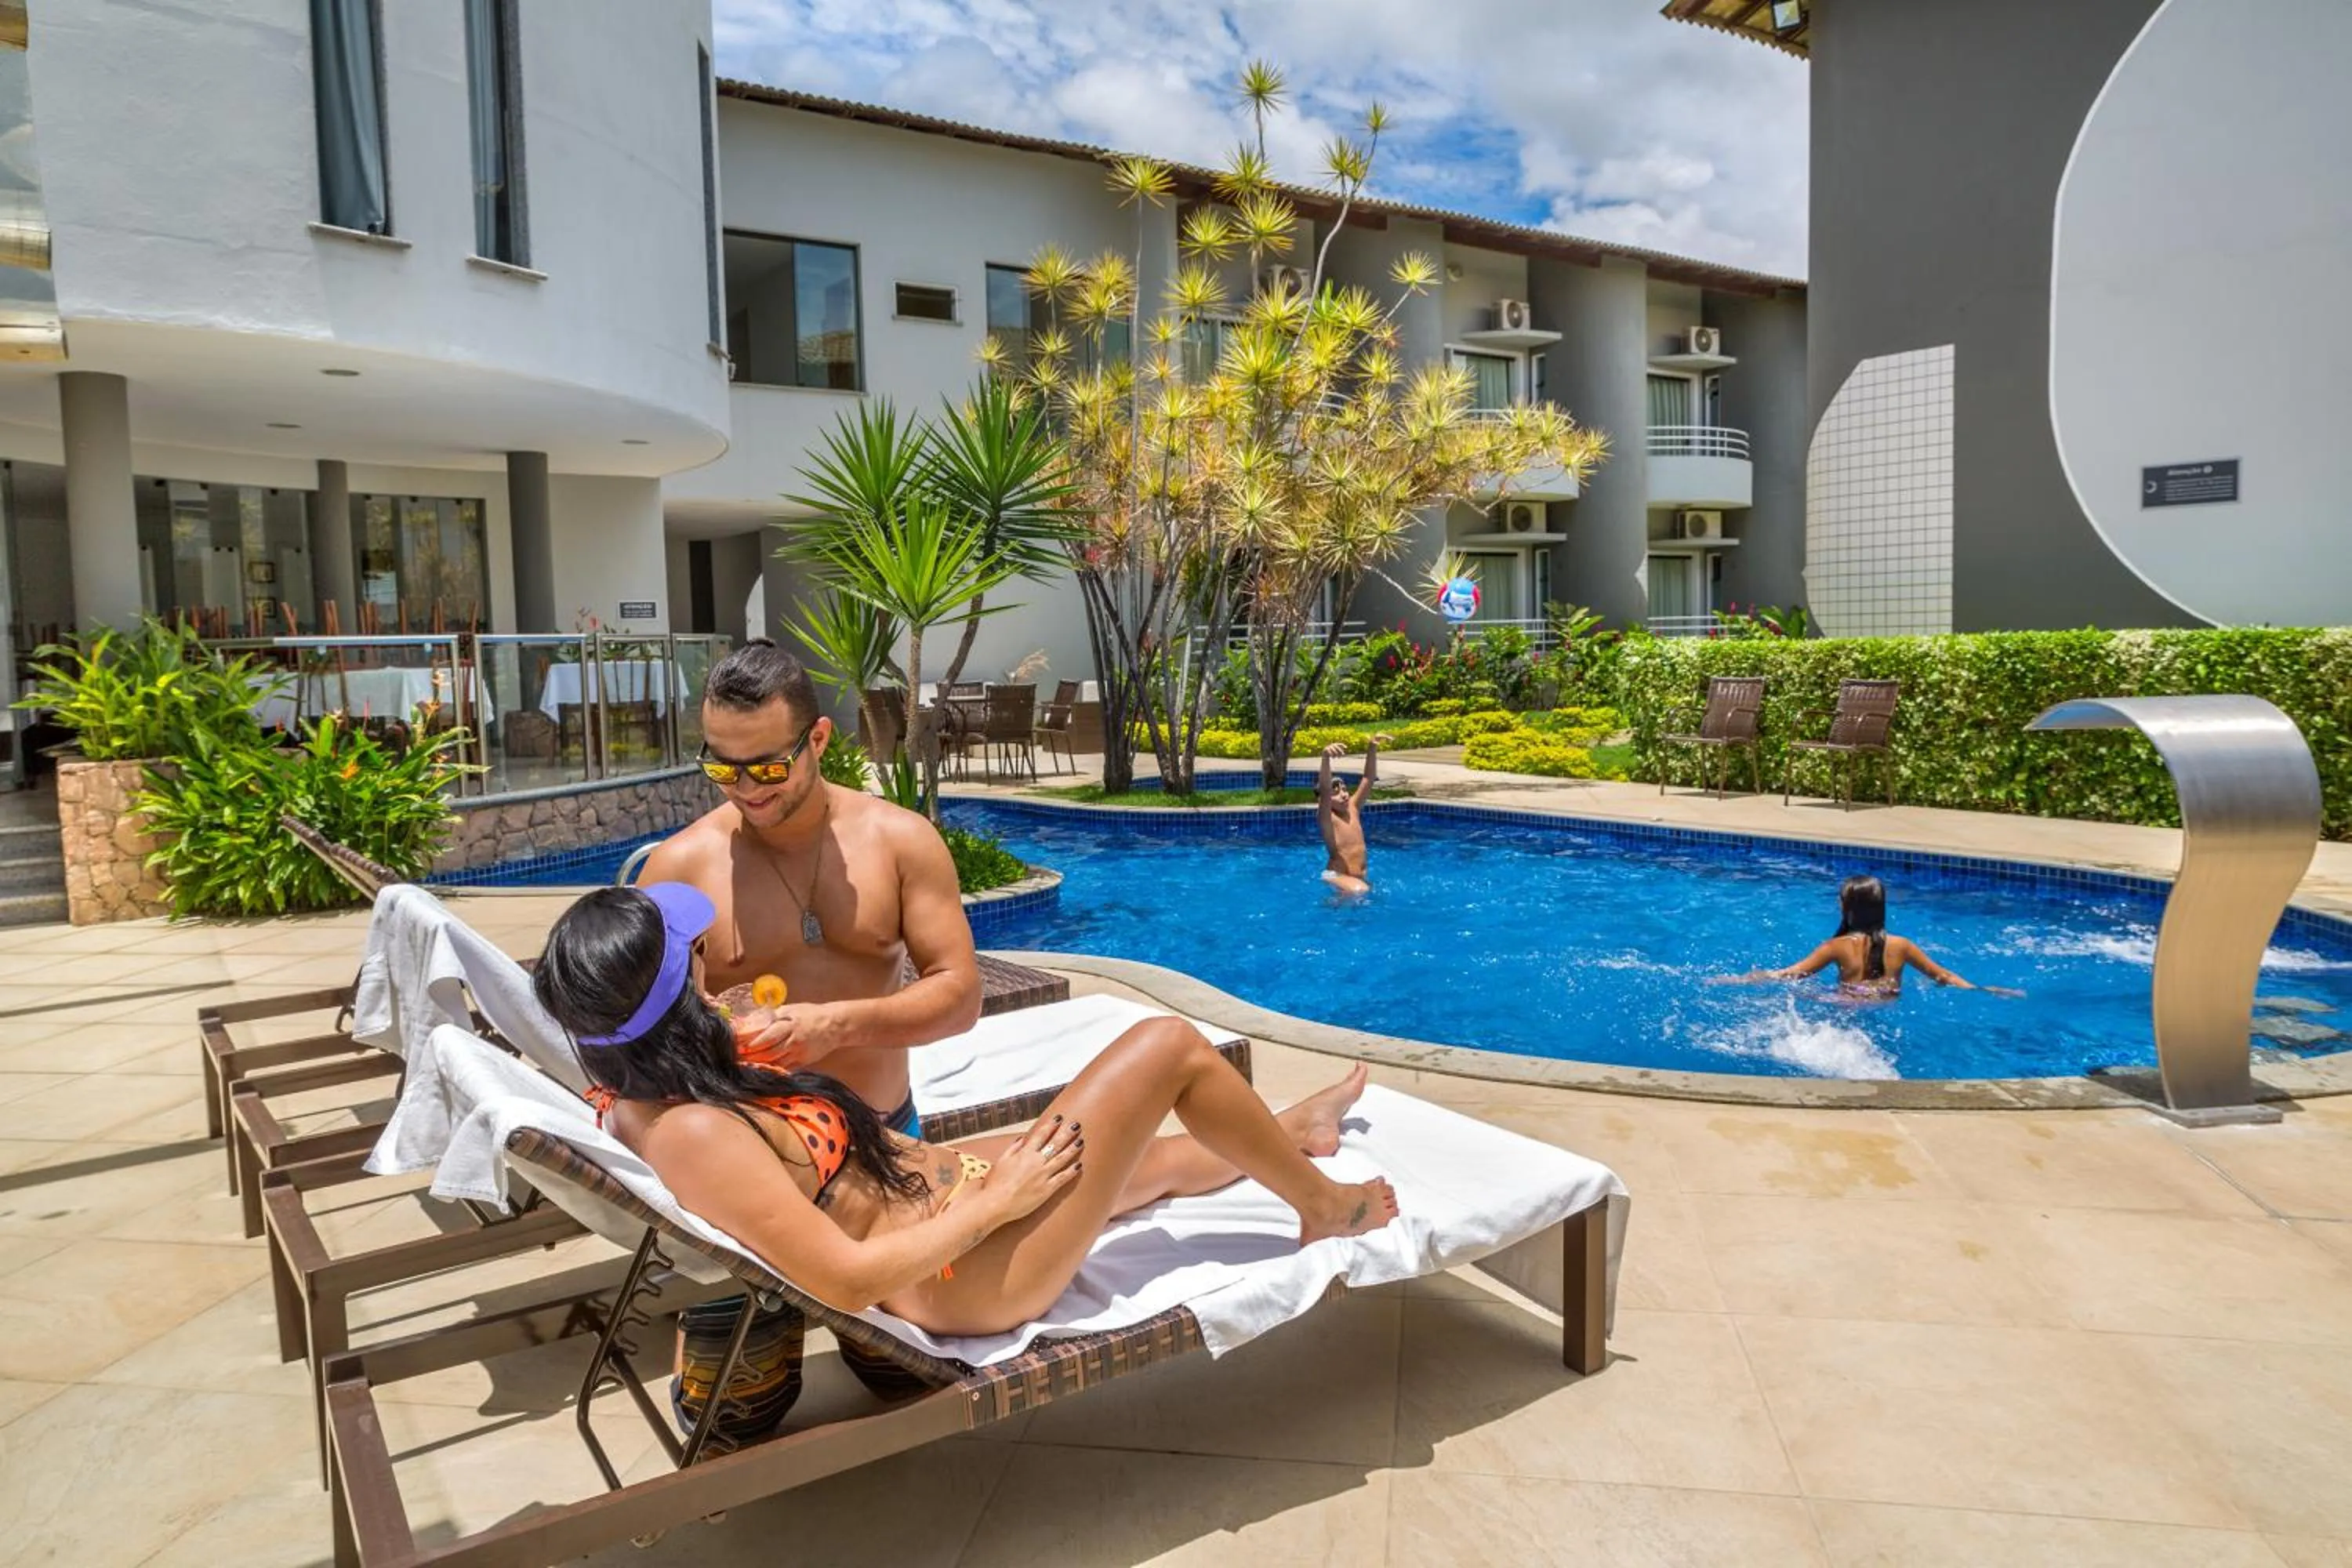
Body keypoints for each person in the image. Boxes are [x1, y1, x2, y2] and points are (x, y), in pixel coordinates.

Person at [535, 883, 1399, 1351]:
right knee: (1167, 1045)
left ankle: (1291, 1132)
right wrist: (999, 1199)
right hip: (970, 1268)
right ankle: (1325, 1207)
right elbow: (843, 1278)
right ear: (669, 1000)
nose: (707, 959)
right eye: (689, 960)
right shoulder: (691, 1131)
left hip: (947, 1202)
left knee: (1157, 1161)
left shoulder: (666, 1082)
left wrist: (737, 1038)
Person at [633, 639, 983, 1437]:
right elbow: (636, 1044)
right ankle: (757, 1310)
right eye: (722, 766)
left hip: (883, 1145)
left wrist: (838, 1022)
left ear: (818, 740)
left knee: (908, 1381)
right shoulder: (680, 864)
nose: (744, 788)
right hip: (753, 1173)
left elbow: (959, 996)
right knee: (731, 1414)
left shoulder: (898, 840)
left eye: (765, 765)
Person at [1730, 874, 2016, 997]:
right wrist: (1982, 990)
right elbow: (1944, 976)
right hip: (1886, 1000)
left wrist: (1749, 978)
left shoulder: (1836, 947)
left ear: (1847, 907)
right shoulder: (1902, 946)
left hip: (1847, 1005)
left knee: (1807, 995)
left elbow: (1792, 975)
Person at [1317, 734, 1389, 895]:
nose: (1343, 795)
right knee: (1360, 890)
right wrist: (1325, 758)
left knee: (1363, 894)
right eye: (1336, 793)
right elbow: (1325, 789)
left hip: (1356, 879)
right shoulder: (1328, 818)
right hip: (1337, 875)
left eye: (1344, 790)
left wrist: (1372, 747)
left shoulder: (1353, 808)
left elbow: (1368, 778)